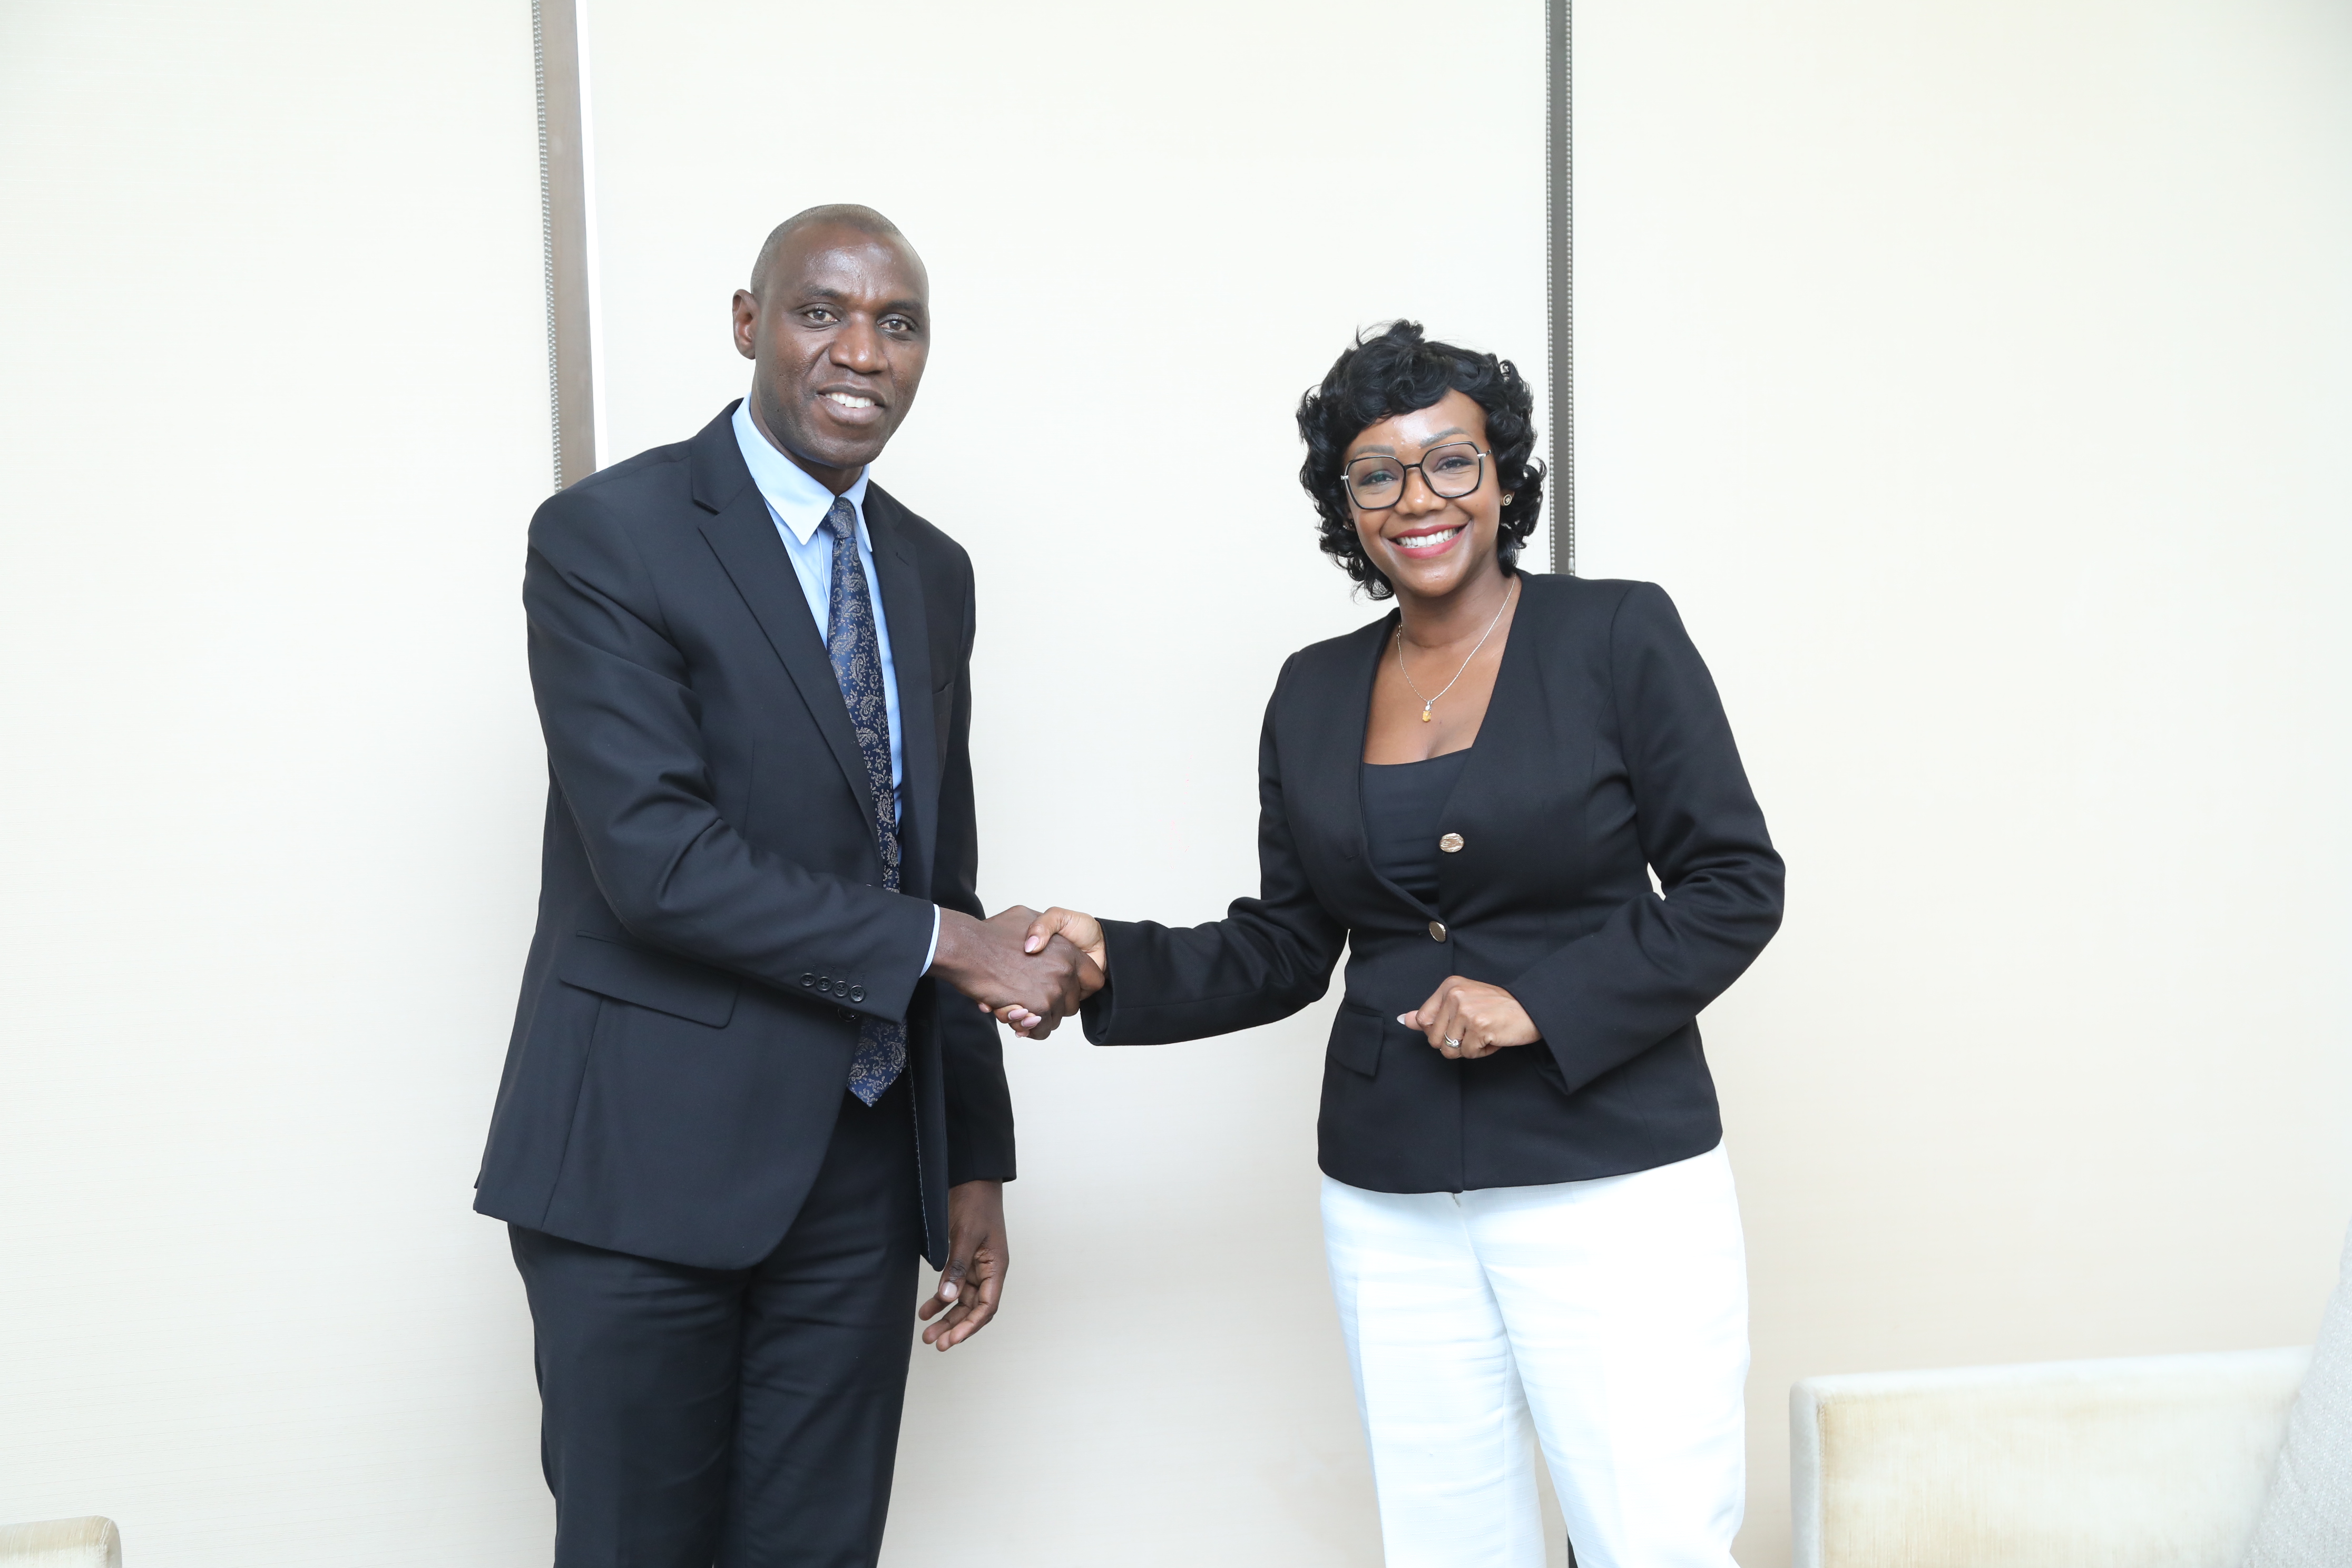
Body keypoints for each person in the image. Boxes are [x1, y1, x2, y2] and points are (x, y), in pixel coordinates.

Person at [1007, 321, 1785, 1567]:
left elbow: (1734, 884)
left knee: (1656, 1543)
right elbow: (1284, 946)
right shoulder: (1313, 689)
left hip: (1613, 1184)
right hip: (1390, 1195)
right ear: (1346, 504)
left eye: (1451, 462)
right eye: (1379, 472)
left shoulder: (1619, 635)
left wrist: (1536, 1002)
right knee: (1447, 1547)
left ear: (1506, 477)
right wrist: (1110, 959)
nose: (1419, 499)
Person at [473, 204, 1096, 1567]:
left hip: (861, 1176)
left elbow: (944, 871)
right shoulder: (606, 537)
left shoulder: (931, 572)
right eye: (821, 310)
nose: (859, 350)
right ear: (749, 324)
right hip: (642, 1170)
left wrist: (971, 1160)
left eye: (899, 322)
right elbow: (659, 866)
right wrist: (950, 943)